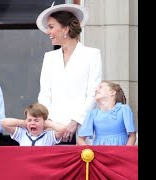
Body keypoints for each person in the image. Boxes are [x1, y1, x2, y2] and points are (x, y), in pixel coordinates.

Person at [36, 3, 102, 144]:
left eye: (51, 27)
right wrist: (50, 123)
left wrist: (75, 122)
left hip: (82, 131)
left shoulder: (92, 55)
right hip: (53, 131)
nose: (48, 32)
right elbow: (44, 94)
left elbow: (93, 94)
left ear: (65, 29)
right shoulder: (49, 57)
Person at [77, 80, 136, 145]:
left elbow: (132, 136)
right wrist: (89, 151)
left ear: (112, 92)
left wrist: (125, 153)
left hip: (120, 152)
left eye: (100, 87)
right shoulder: (92, 114)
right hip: (100, 153)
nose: (96, 89)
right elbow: (80, 139)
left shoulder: (124, 109)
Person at [1, 103, 66, 146]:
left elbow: (63, 129)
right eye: (29, 120)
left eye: (36, 120)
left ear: (44, 122)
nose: (32, 123)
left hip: (41, 166)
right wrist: (23, 123)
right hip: (25, 165)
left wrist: (48, 123)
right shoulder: (22, 134)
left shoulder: (49, 136)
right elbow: (3, 123)